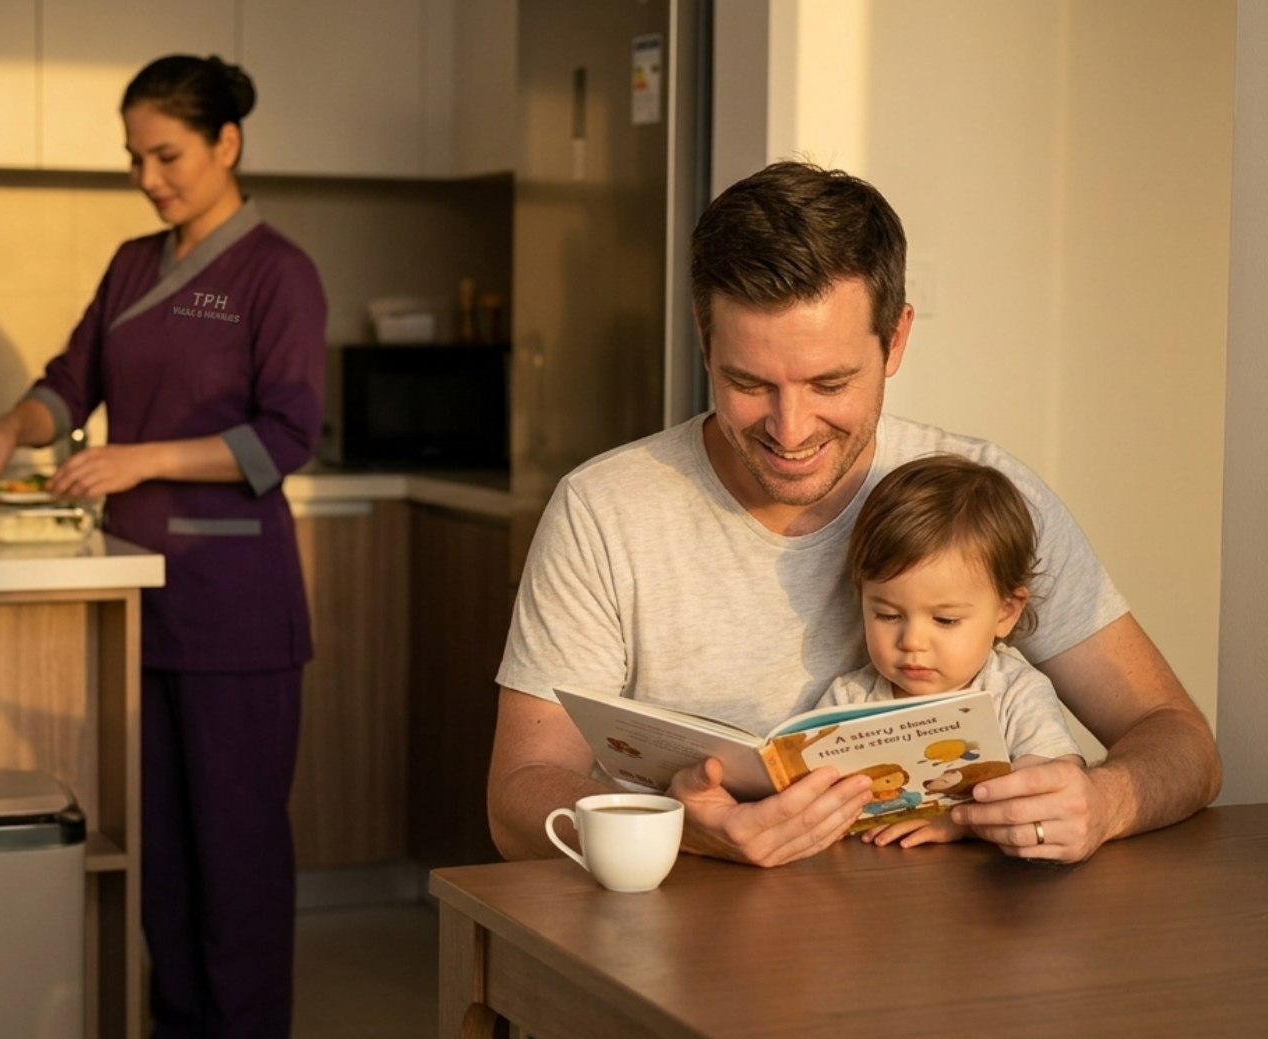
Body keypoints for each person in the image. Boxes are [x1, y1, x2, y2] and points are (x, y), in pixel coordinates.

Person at [488, 160, 1219, 868]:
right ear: (704, 340)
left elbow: (1182, 742)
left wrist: (1106, 800)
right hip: (671, 949)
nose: (790, 427)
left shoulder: (981, 498)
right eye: (748, 382)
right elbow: (518, 798)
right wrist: (677, 829)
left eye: (830, 381)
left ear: (896, 340)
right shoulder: (605, 511)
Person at [0, 54, 324, 1039]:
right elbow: (69, 383)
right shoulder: (130, 264)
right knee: (162, 858)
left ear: (225, 145)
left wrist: (139, 459)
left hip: (236, 610)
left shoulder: (277, 273)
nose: (149, 177)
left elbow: (287, 437)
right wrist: (12, 423)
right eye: (135, 158)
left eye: (166, 156)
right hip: (140, 601)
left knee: (235, 863)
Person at [817, 454, 1084, 848]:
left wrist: (962, 823)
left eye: (944, 621)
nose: (913, 641)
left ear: (1006, 613)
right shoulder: (849, 699)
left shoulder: (1015, 693)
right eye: (888, 614)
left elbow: (1055, 790)